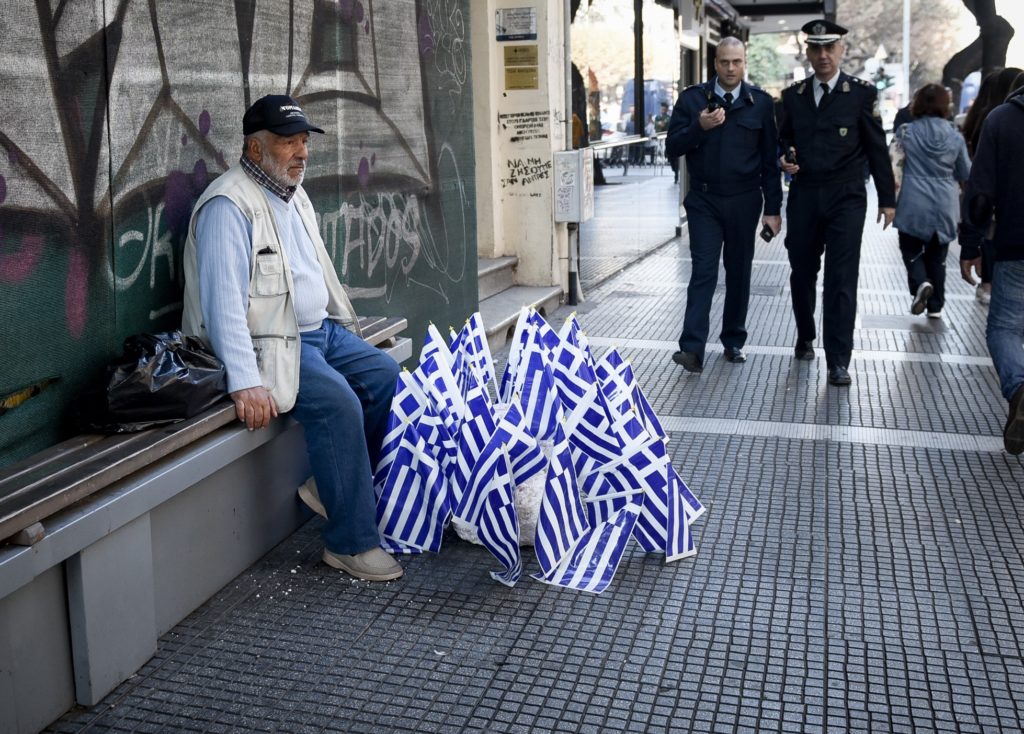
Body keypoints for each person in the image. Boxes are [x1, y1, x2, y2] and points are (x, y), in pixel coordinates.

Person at [181, 95, 403, 581]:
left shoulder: (292, 192)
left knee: (387, 376)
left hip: (318, 332)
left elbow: (311, 269)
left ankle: (332, 488)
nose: (302, 153)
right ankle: (350, 543)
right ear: (256, 149)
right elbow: (222, 308)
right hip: (271, 344)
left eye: (304, 141)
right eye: (289, 143)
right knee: (340, 403)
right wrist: (244, 381)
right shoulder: (228, 206)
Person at [778, 20, 896, 386]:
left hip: (847, 196)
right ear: (808, 52)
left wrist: (888, 199)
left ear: (842, 50)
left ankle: (838, 360)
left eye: (830, 48)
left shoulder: (860, 93)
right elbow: (782, 142)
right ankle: (805, 334)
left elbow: (878, 148)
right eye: (816, 48)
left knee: (841, 278)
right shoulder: (792, 96)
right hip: (805, 195)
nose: (823, 55)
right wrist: (783, 159)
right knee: (802, 271)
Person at [666, 37, 782, 373]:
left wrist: (772, 210)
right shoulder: (692, 100)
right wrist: (698, 127)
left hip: (745, 200)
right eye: (724, 62)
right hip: (703, 200)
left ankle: (733, 340)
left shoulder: (759, 103)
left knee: (739, 271)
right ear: (714, 63)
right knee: (703, 270)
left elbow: (770, 163)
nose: (730, 69)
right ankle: (692, 349)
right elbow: (672, 147)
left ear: (745, 62)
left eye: (737, 62)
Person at [962, 80, 1024, 453]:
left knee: (1003, 327)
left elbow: (980, 191)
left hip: (1016, 243)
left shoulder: (1001, 119)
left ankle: (1019, 388)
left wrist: (971, 244)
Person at [892, 84, 970, 319]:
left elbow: (893, 166)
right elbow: (965, 172)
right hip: (945, 202)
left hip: (913, 199)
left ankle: (920, 283)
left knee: (910, 248)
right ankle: (935, 306)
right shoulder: (955, 136)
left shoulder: (906, 132)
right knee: (938, 254)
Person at [959, 67, 1023, 305]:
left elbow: (981, 184)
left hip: (1004, 221)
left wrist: (969, 245)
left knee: (1005, 325)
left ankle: (987, 283)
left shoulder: (993, 119)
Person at [654, 100, 679, 183]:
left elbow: (664, 125)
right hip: (660, 138)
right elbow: (657, 127)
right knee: (669, 157)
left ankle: (676, 174)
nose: (662, 111)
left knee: (671, 156)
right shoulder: (658, 117)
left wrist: (661, 124)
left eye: (664, 109)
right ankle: (675, 171)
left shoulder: (668, 118)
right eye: (662, 109)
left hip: (668, 139)